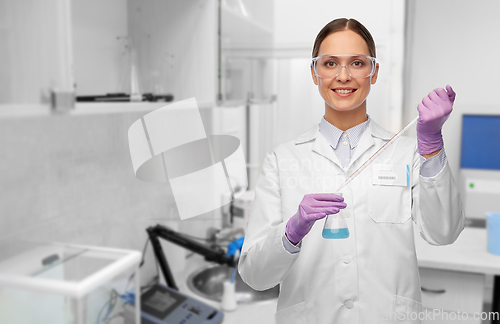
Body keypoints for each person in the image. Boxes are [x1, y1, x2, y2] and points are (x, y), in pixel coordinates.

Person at [238, 18, 464, 324]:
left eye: (356, 63)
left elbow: (444, 232)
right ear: (315, 73)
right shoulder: (282, 160)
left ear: (374, 72)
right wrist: (291, 232)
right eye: (330, 63)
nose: (343, 76)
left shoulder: (407, 153)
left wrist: (432, 145)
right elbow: (255, 275)